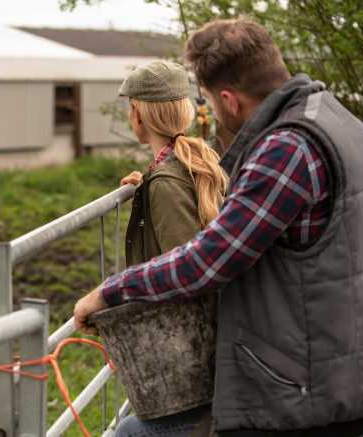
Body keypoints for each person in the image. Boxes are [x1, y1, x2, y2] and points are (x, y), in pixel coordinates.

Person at [74, 17, 363, 437]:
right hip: (358, 377)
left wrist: (108, 292)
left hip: (309, 400)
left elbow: (206, 261)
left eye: (209, 101)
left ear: (229, 99)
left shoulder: (287, 148)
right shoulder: (342, 123)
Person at [110, 60, 227, 436]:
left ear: (139, 115)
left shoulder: (166, 182)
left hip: (190, 364)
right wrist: (145, 185)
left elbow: (187, 268)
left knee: (127, 433)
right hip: (208, 358)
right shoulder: (189, 164)